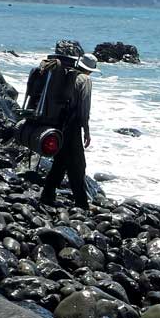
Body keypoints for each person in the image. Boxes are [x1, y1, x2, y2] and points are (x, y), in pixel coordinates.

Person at [40, 53, 99, 210]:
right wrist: (86, 130)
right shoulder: (85, 80)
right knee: (78, 164)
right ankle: (82, 204)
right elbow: (84, 109)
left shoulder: (67, 75)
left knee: (61, 161)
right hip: (72, 126)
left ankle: (47, 195)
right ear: (90, 70)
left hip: (58, 123)